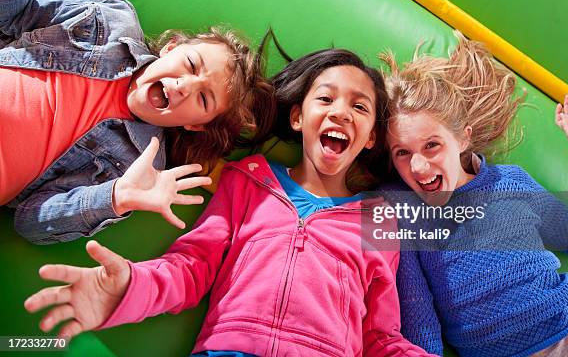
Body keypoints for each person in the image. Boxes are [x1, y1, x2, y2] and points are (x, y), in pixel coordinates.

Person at [24, 49, 436, 356]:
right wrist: (129, 288)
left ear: (370, 139)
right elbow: (192, 267)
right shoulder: (247, 181)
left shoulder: (379, 220)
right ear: (297, 118)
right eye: (325, 99)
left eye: (359, 107)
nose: (341, 113)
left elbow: (381, 337)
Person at [0, 0, 274, 244]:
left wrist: (116, 197)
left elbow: (31, 221)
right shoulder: (111, 21)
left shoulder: (140, 168)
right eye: (192, 64)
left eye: (204, 99)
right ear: (171, 48)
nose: (184, 86)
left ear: (197, 124)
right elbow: (17, 15)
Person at [380, 32, 568, 356]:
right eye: (402, 153)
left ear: (462, 139)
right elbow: (418, 313)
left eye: (432, 145)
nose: (418, 166)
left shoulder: (510, 184)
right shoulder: (406, 215)